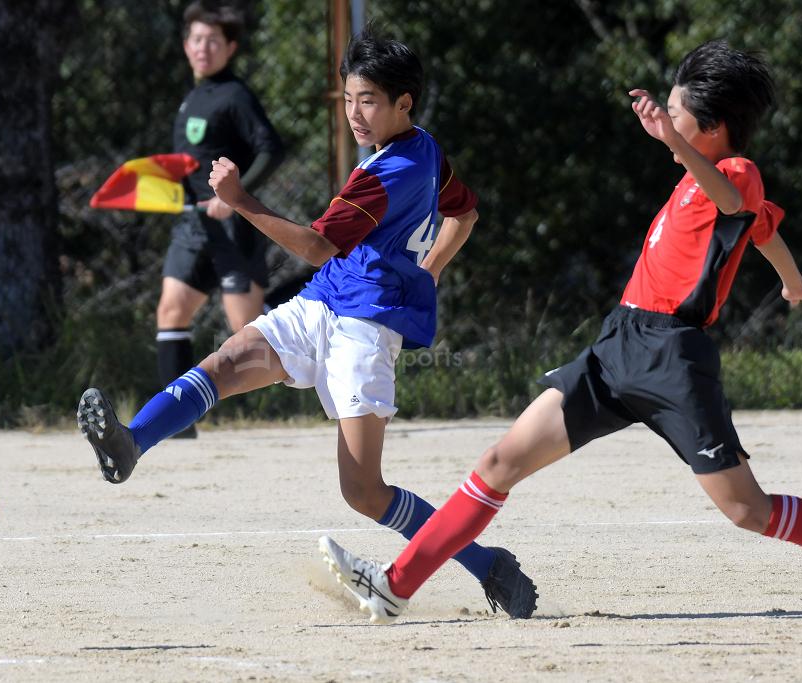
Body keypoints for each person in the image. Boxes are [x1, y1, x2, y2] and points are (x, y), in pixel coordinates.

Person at [318, 39, 802, 624]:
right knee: (499, 462)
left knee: (746, 509)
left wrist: (671, 140)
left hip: (674, 357)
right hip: (618, 346)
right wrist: (792, 283)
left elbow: (735, 200)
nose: (664, 121)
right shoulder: (701, 180)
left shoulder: (735, 171)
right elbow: (763, 230)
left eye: (677, 114)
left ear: (713, 126)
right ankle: (395, 586)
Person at [77, 27, 538, 619]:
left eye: (368, 100)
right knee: (222, 364)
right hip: (324, 301)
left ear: (404, 104)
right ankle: (131, 442)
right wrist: (432, 268)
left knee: (364, 493)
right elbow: (465, 211)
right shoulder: (425, 148)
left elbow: (319, 245)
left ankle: (487, 564)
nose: (354, 113)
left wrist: (242, 200)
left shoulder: (387, 171)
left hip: (365, 327)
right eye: (348, 99)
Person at [158, 1, 284, 437]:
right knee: (172, 310)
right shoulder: (193, 96)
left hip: (233, 228)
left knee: (246, 335)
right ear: (185, 44)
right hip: (194, 228)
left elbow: (272, 148)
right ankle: (173, 424)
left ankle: (317, 347)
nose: (202, 48)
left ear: (230, 47)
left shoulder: (235, 96)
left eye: (213, 40)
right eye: (195, 39)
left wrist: (234, 197)